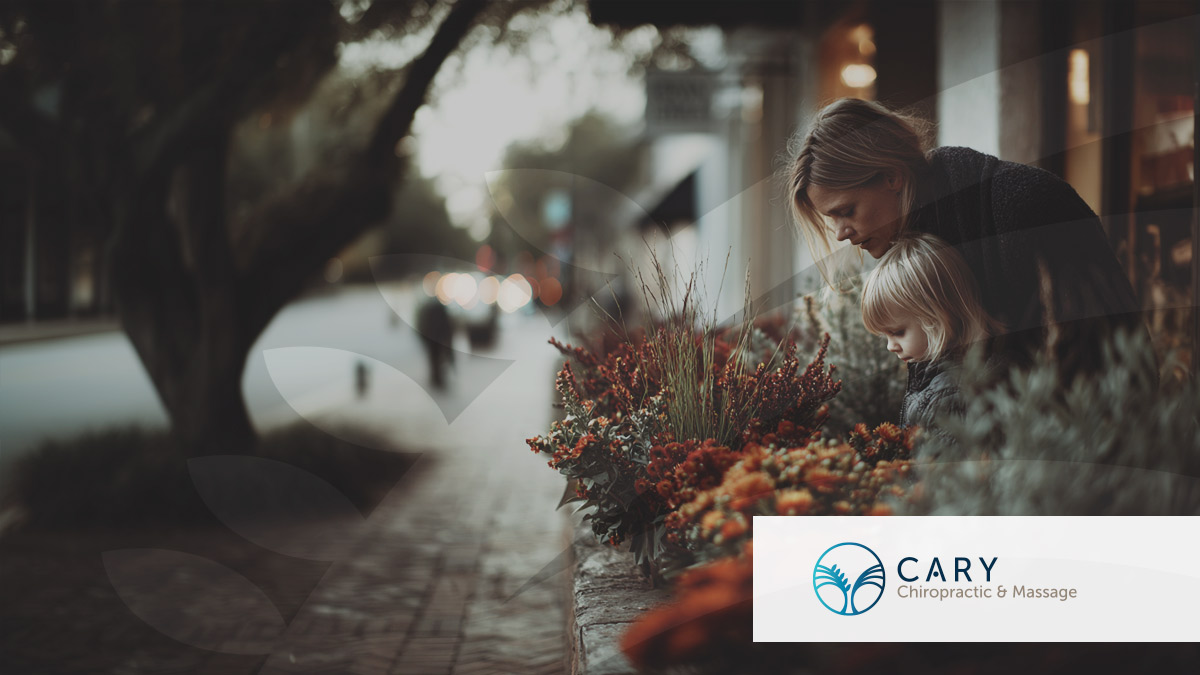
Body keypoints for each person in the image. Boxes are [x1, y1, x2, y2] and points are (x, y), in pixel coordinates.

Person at [788, 98, 1149, 383]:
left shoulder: (1027, 206)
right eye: (831, 219)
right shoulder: (916, 239)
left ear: (892, 177)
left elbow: (1108, 358)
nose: (840, 233)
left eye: (846, 211)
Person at [860, 233, 1003, 442]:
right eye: (885, 336)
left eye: (898, 332)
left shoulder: (951, 394)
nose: (891, 346)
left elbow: (935, 468)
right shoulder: (932, 377)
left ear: (937, 319)